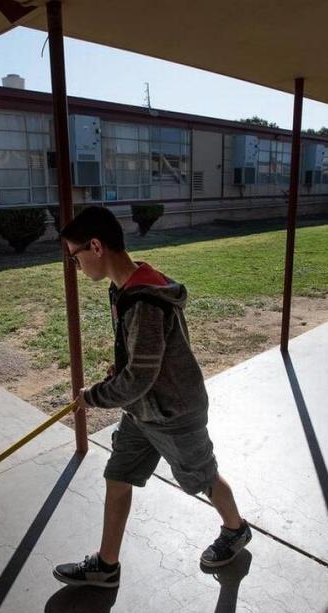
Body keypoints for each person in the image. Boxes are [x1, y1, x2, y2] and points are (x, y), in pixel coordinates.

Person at [53, 206, 251, 589]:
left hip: (175, 412)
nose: (75, 266)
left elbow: (140, 377)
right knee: (119, 475)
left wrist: (92, 396)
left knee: (203, 478)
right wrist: (121, 370)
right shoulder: (125, 286)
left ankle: (236, 529)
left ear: (95, 246)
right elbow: (140, 363)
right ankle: (106, 566)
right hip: (142, 412)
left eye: (73, 256)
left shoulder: (144, 299)